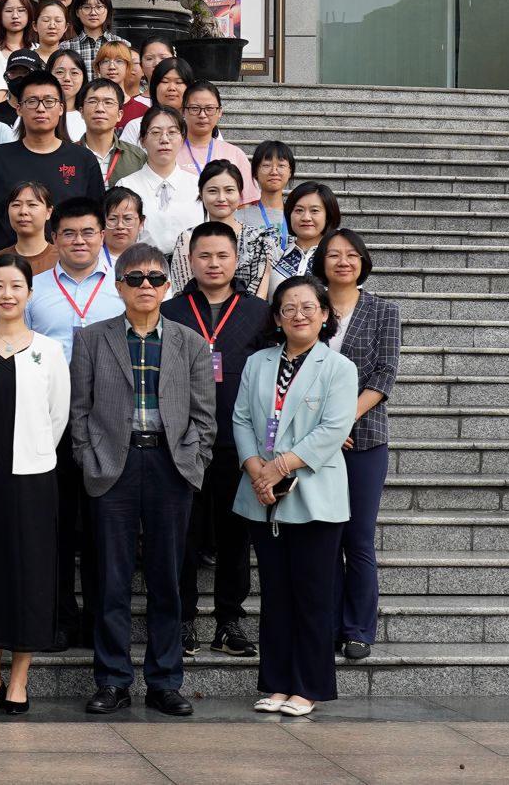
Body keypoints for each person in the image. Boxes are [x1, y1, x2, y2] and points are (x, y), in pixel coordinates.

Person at [70, 243, 216, 717]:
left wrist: (194, 459)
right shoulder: (93, 339)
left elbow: (204, 415)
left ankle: (165, 682)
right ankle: (112, 680)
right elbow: (78, 410)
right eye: (135, 279)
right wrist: (88, 457)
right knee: (110, 581)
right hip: (112, 466)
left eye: (154, 278)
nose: (145, 286)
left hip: (170, 466)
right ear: (119, 286)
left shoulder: (190, 342)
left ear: (168, 285)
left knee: (166, 580)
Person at [233, 276, 358, 716]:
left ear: (324, 315)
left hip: (314, 494)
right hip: (262, 493)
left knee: (313, 596)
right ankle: (277, 683)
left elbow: (333, 429)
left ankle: (307, 687)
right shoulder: (258, 362)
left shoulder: (339, 367)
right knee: (276, 595)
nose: (299, 315)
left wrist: (279, 466)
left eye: (308, 307)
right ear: (277, 317)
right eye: (288, 308)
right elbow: (241, 419)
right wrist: (256, 469)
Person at [0, 251, 71, 713]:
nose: (7, 294)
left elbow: (58, 415)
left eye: (16, 286)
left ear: (29, 293)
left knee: (30, 573)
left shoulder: (49, 350)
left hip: (31, 480)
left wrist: (34, 451)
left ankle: (19, 679)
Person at [166, 221, 269, 659]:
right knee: (183, 534)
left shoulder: (258, 312)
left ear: (236, 260)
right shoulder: (170, 310)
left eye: (222, 255)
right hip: (180, 440)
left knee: (235, 535)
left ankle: (229, 620)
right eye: (204, 256)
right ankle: (183, 619)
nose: (213, 263)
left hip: (237, 440)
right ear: (190, 260)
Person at [22, 196, 121, 643]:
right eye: (69, 233)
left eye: (88, 232)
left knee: (103, 524)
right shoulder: (34, 288)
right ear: (54, 237)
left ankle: (100, 620)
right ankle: (60, 616)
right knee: (56, 523)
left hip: (107, 418)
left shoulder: (124, 284)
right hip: (49, 420)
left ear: (103, 235)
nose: (79, 241)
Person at [320, 227, 401, 662]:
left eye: (352, 255)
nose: (343, 262)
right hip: (314, 442)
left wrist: (342, 420)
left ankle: (358, 629)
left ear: (363, 261)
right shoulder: (310, 305)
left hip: (364, 439)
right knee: (325, 536)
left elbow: (385, 373)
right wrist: (325, 430)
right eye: (334, 254)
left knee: (358, 538)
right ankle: (329, 625)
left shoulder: (384, 310)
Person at [0, 71, 103, 271]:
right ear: (19, 108)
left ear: (61, 108)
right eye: (32, 101)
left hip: (67, 272)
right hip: (7, 273)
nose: (41, 109)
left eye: (49, 101)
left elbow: (96, 223)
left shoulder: (83, 159)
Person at [168, 160, 281, 297]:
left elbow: (258, 298)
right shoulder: (187, 238)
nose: (221, 198)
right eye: (213, 191)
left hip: (247, 310)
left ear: (240, 193)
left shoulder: (260, 239)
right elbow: (182, 293)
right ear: (201, 193)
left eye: (229, 190)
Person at [117, 105, 203, 257]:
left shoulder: (198, 186)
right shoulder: (126, 187)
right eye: (156, 132)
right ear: (142, 140)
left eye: (172, 132)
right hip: (141, 268)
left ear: (182, 139)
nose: (164, 139)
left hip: (191, 268)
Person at [79, 78, 147, 189]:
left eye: (108, 103)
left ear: (120, 115)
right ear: (81, 111)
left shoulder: (137, 157)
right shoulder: (67, 155)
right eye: (92, 101)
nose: (100, 109)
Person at [235, 139, 297, 250]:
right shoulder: (239, 218)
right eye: (266, 165)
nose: (274, 171)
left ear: (290, 172)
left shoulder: (298, 216)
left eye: (281, 165)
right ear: (255, 172)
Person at [119, 57, 194, 145]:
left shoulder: (196, 126)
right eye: (165, 81)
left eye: (179, 82)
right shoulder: (136, 127)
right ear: (154, 87)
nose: (171, 88)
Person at [275, 181, 341, 279]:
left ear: (328, 216)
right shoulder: (274, 257)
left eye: (314, 210)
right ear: (289, 215)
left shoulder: (340, 261)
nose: (306, 218)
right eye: (299, 210)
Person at [61, 0, 128, 62]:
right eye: (86, 7)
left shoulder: (123, 45)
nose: (93, 12)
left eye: (99, 7)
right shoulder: (66, 48)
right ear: (77, 12)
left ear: (108, 11)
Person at [4, 181, 59, 275]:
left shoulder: (66, 260)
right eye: (16, 205)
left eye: (32, 205)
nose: (23, 211)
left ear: (48, 212)